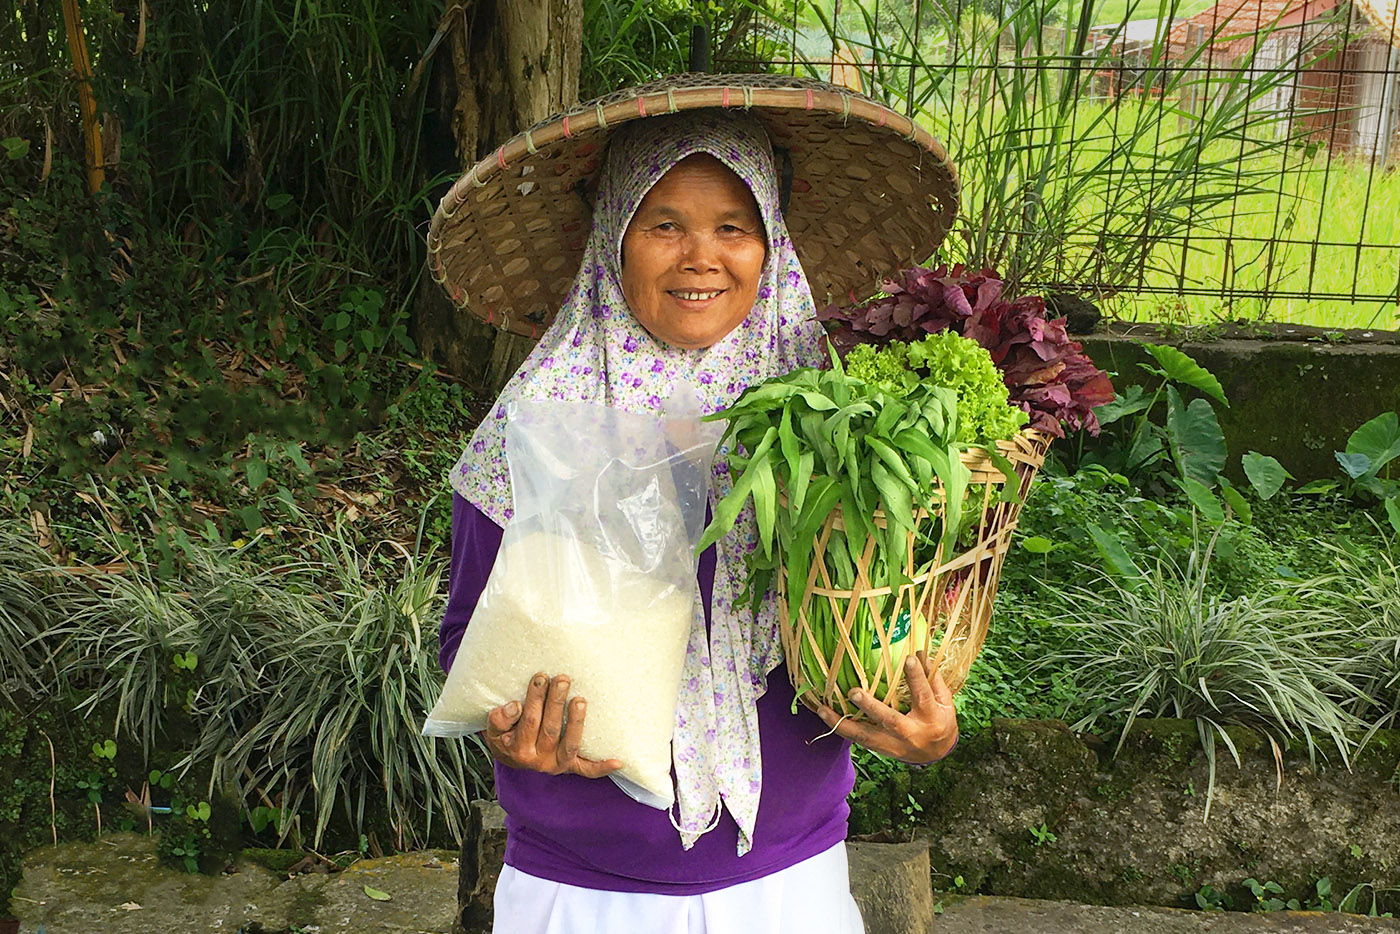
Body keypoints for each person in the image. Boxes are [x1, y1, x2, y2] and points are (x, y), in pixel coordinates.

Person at [431, 75, 962, 934]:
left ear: (770, 246)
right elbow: (469, 639)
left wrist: (923, 722)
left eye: (733, 228)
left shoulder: (834, 426)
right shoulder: (537, 431)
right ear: (614, 239)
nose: (700, 256)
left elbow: (886, 623)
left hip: (792, 883)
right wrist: (506, 730)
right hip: (585, 893)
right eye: (664, 225)